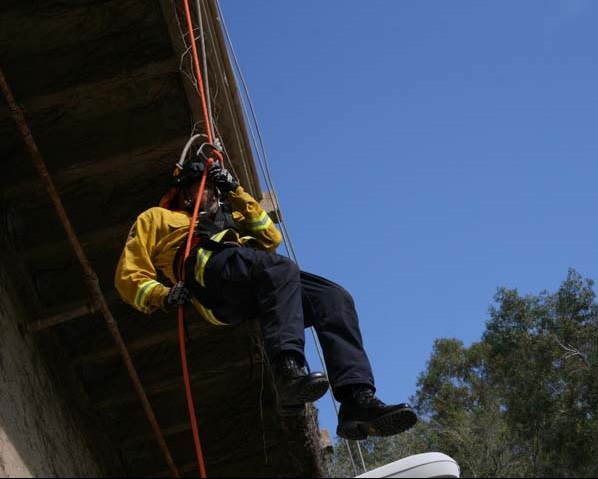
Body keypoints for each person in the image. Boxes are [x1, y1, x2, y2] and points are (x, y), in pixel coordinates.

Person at [114, 158, 418, 440]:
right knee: (279, 268)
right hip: (206, 271)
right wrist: (164, 294)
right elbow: (128, 275)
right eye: (202, 185)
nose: (210, 192)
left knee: (333, 297)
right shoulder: (158, 218)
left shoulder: (231, 216)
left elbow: (271, 239)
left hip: (252, 280)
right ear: (184, 192)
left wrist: (235, 190)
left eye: (213, 187)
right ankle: (287, 371)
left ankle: (356, 399)